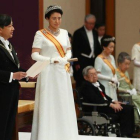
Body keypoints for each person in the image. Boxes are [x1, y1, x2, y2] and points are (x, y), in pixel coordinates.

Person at [30, 5, 78, 140]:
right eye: (54, 18)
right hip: (48, 72)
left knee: (63, 102)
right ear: (47, 18)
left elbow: (68, 49)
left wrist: (65, 57)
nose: (57, 21)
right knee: (49, 103)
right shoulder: (40, 34)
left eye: (59, 18)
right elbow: (34, 55)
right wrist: (51, 60)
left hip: (62, 72)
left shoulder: (64, 32)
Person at [80, 66, 134, 137]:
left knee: (130, 107)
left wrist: (114, 101)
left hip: (104, 105)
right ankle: (125, 134)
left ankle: (129, 133)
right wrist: (111, 104)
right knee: (126, 110)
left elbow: (104, 96)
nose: (95, 76)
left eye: (95, 73)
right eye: (91, 74)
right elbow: (96, 100)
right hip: (97, 108)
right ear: (85, 77)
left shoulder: (97, 84)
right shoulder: (86, 86)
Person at [0, 14, 27, 140]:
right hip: (2, 92)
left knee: (9, 125)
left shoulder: (9, 45)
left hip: (12, 91)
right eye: (10, 25)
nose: (13, 28)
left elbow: (14, 68)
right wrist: (12, 75)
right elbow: (10, 72)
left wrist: (27, 74)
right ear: (0, 28)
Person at [72, 14, 102, 87]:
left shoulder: (95, 32)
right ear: (85, 22)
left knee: (92, 79)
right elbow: (75, 48)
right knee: (81, 79)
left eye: (93, 24)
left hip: (92, 59)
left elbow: (97, 46)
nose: (92, 25)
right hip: (82, 60)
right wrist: (76, 62)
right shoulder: (78, 33)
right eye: (90, 23)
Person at [116, 52, 140, 124]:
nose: (127, 66)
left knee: (136, 105)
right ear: (119, 63)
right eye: (126, 64)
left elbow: (129, 84)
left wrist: (133, 89)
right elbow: (116, 88)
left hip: (130, 94)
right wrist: (127, 91)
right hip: (123, 95)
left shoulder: (126, 72)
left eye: (129, 64)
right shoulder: (115, 73)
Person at [94, 35, 118, 100]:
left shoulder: (112, 57)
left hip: (112, 86)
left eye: (113, 47)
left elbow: (114, 70)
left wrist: (115, 78)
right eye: (110, 47)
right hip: (104, 85)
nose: (112, 50)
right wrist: (110, 78)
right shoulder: (99, 59)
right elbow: (97, 74)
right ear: (104, 47)